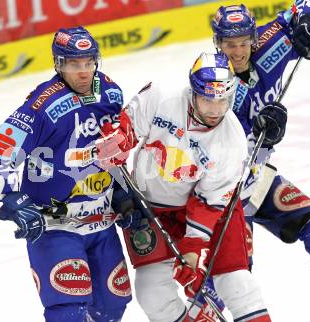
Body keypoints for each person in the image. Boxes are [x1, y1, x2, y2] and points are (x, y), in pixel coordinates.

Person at [200, 2, 310, 322]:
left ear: (254, 38)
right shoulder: (209, 81)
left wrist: (309, 26)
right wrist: (259, 132)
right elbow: (206, 145)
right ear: (217, 43)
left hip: (256, 179)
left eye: (243, 43)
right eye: (228, 44)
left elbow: (306, 7)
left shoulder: (269, 47)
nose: (237, 52)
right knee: (232, 277)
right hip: (222, 192)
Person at [95, 52, 275, 321]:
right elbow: (128, 126)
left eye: (222, 100)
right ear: (193, 91)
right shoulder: (161, 95)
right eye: (207, 100)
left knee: (234, 282)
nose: (215, 110)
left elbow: (209, 202)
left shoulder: (232, 140)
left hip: (213, 209)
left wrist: (192, 248)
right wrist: (119, 141)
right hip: (152, 210)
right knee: (152, 293)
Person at [0, 26, 138, 322]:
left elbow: (112, 150)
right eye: (74, 64)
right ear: (59, 64)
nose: (83, 72)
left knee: (112, 307)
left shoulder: (111, 92)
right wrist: (14, 199)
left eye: (89, 62)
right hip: (54, 225)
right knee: (68, 311)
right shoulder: (43, 104)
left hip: (101, 222)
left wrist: (120, 194)